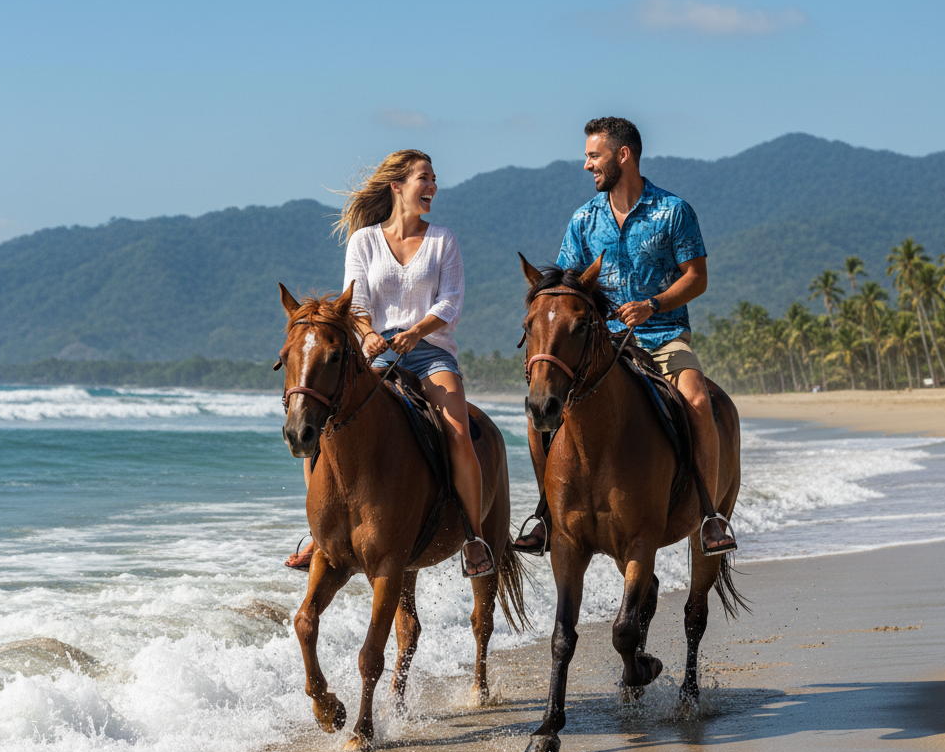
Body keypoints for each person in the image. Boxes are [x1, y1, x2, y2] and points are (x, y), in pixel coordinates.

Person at [515, 116, 737, 557]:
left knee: (696, 401)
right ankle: (545, 512)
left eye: (593, 156)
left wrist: (652, 304)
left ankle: (710, 515)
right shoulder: (583, 219)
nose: (586, 165)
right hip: (599, 345)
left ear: (623, 155)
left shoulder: (673, 211)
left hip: (663, 336)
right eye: (586, 157)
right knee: (537, 415)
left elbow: (697, 278)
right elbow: (566, 285)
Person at [285, 149, 495, 578]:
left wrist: (416, 332)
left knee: (458, 432)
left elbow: (451, 302)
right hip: (375, 353)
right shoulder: (364, 241)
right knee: (325, 426)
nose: (433, 186)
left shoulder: (443, 240)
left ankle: (473, 538)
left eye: (434, 178)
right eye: (425, 178)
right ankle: (321, 533)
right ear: (397, 186)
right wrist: (366, 334)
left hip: (431, 352)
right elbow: (355, 303)